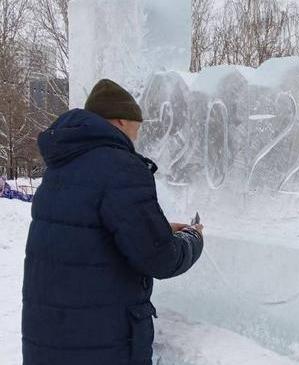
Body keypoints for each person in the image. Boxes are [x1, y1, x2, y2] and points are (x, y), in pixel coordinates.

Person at [22, 79, 204, 365]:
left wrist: (161, 229)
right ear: (121, 121)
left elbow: (87, 234)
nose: (137, 135)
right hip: (101, 342)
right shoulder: (120, 167)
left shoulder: (61, 166)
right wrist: (192, 239)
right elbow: (160, 258)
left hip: (50, 337)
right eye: (137, 127)